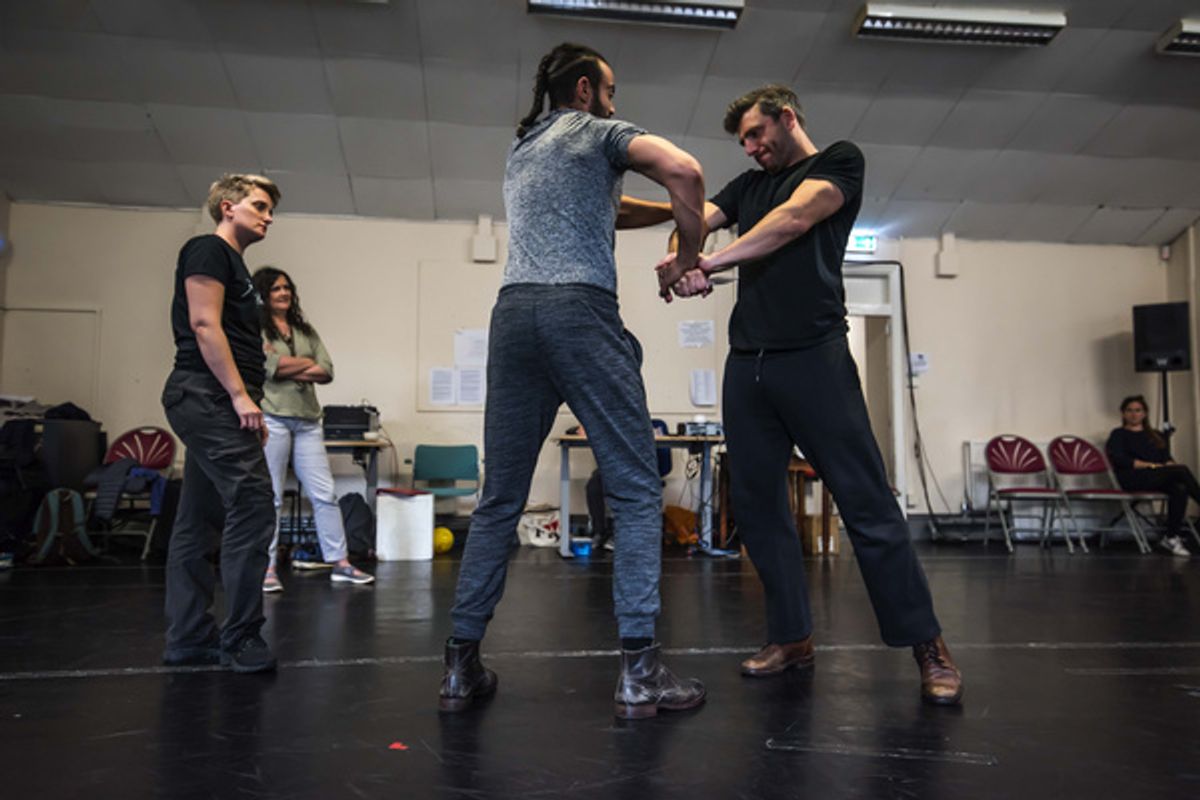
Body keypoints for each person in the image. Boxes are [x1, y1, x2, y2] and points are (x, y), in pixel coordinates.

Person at [659, 85, 963, 705]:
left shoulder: (839, 163)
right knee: (758, 507)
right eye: (742, 141)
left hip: (815, 358)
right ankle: (791, 637)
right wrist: (682, 255)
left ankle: (927, 645)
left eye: (756, 134)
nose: (750, 148)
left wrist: (709, 265)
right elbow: (694, 220)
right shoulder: (747, 186)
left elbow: (792, 221)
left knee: (866, 501)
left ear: (787, 118)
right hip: (748, 365)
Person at [439, 42, 708, 719]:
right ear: (585, 90)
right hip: (578, 310)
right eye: (610, 91)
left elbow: (610, 208)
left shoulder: (525, 146)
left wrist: (673, 215)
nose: (615, 104)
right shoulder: (596, 131)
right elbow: (685, 169)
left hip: (513, 315)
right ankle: (640, 673)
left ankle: (460, 667)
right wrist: (689, 253)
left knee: (499, 498)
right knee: (637, 489)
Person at [159, 174, 280, 674]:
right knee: (253, 504)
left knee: (199, 518)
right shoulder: (208, 249)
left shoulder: (237, 266)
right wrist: (238, 396)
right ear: (227, 207)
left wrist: (248, 399)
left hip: (216, 399)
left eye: (271, 210)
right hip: (206, 394)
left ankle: (189, 638)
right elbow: (204, 324)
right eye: (259, 205)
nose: (268, 216)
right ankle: (242, 637)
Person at [251, 267, 375, 590]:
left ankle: (340, 563)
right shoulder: (257, 330)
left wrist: (286, 367)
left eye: (286, 287)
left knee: (325, 494)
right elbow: (267, 367)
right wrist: (306, 365)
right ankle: (267, 569)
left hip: (308, 421)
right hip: (273, 417)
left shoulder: (305, 331)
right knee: (271, 496)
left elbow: (327, 370)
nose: (283, 293)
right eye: (276, 288)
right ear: (263, 294)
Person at [1106, 394, 1198, 557]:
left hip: (1156, 476)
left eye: (1138, 410)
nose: (1134, 414)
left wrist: (1168, 466)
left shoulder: (1155, 435)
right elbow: (1120, 460)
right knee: (1181, 471)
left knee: (1180, 488)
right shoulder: (1118, 434)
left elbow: (1166, 459)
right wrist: (1151, 465)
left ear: (1144, 413)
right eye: (1129, 410)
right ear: (1123, 413)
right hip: (1132, 477)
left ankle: (1171, 537)